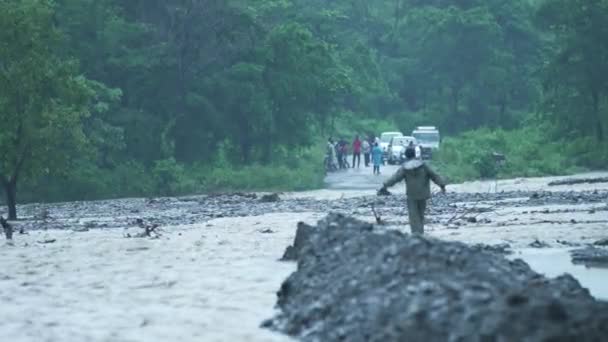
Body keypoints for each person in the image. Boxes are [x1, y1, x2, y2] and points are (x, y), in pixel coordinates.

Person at [378, 147, 446, 234]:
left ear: (406, 156)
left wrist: (385, 186)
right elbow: (434, 175)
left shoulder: (405, 168)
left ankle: (416, 235)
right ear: (415, 154)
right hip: (423, 194)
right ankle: (421, 233)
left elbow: (395, 178)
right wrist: (442, 185)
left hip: (411, 195)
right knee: (421, 214)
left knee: (413, 216)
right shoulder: (423, 165)